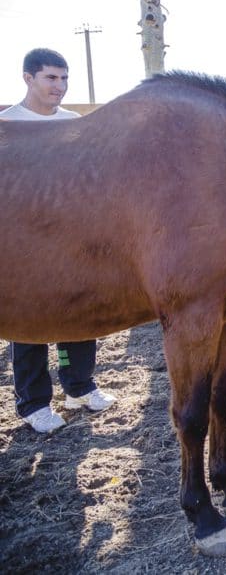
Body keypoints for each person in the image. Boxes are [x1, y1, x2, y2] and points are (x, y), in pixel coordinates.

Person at [1, 48, 117, 434]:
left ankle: (79, 387)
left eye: (64, 78)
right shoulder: (8, 125)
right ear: (28, 78)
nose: (60, 86)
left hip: (72, 240)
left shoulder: (74, 124)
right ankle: (33, 403)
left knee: (79, 312)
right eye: (51, 78)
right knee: (30, 321)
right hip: (24, 245)